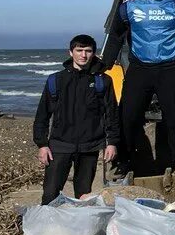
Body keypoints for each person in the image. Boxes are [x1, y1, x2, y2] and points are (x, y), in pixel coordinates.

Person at [101, 0, 175, 180]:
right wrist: (105, 66)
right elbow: (116, 36)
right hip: (140, 68)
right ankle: (123, 163)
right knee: (128, 116)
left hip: (170, 67)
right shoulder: (129, 7)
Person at [34, 35, 119, 203]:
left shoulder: (103, 81)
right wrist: (42, 144)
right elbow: (42, 115)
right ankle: (48, 227)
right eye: (79, 50)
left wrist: (112, 143)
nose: (83, 55)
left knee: (83, 196)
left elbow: (112, 115)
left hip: (90, 146)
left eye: (88, 51)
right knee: (50, 194)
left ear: (94, 53)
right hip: (60, 144)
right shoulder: (56, 80)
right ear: (70, 52)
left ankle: (79, 228)